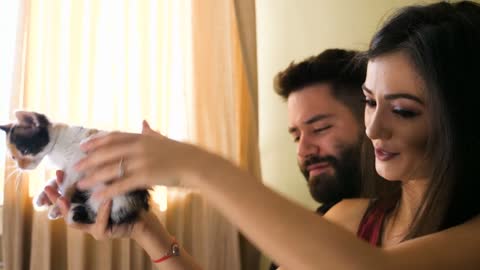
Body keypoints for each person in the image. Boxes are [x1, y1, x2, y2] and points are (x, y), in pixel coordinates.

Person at [46, 1, 480, 269]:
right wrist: (147, 231)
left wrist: (199, 166)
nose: (374, 128)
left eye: (402, 110)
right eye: (369, 101)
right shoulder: (349, 218)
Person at [269, 48, 369, 269]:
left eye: (320, 128)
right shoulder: (316, 223)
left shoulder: (413, 223)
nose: (304, 149)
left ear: (371, 121)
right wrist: (171, 248)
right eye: (296, 136)